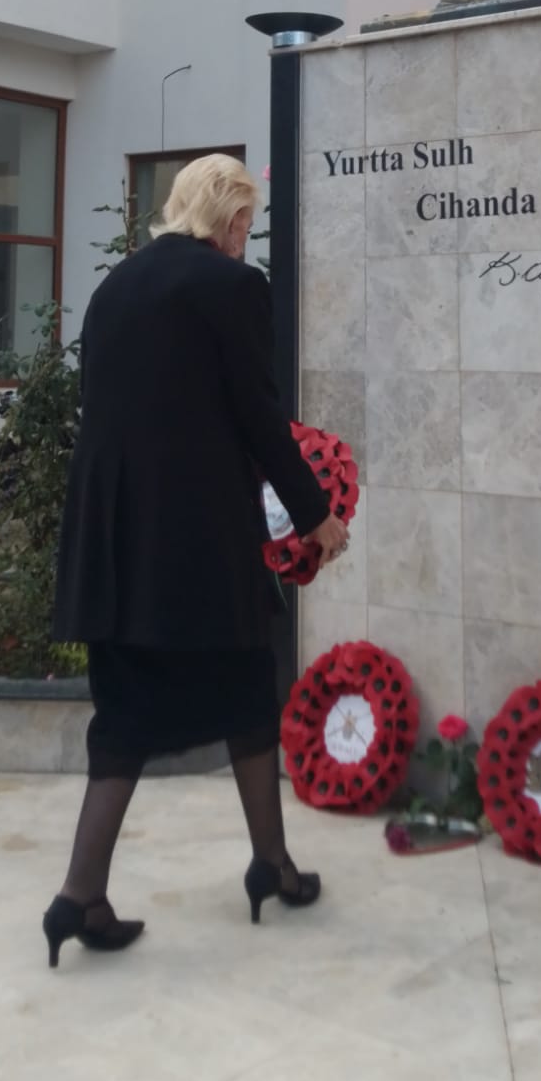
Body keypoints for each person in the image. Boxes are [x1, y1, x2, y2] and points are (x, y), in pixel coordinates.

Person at [44, 153, 348, 965]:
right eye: (246, 220)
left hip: (114, 543)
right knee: (249, 680)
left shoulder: (116, 289)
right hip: (194, 539)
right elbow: (259, 417)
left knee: (125, 710)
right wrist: (316, 515)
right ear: (227, 217)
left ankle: (86, 894)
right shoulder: (231, 287)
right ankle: (265, 866)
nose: (249, 236)